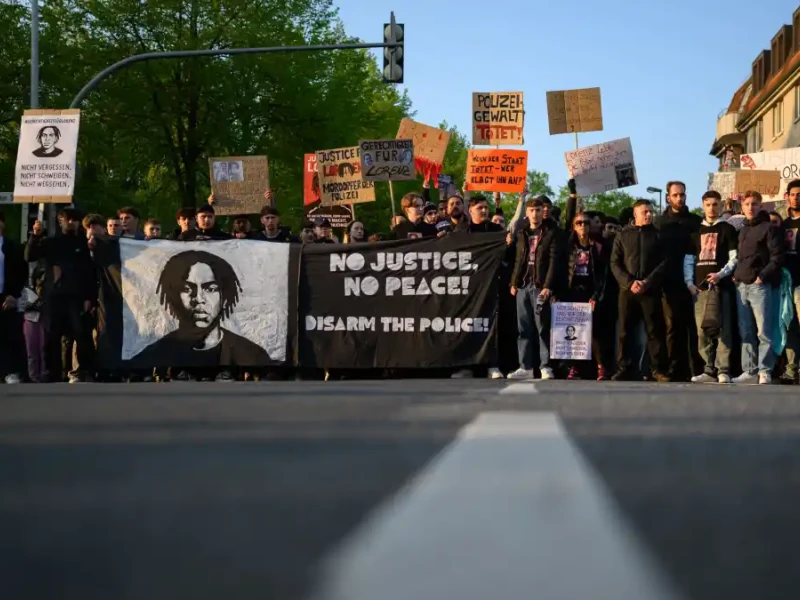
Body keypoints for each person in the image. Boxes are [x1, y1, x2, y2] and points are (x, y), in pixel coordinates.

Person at [129, 250, 272, 368]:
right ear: (173, 297)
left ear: (224, 297)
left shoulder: (252, 355)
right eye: (186, 289)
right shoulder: (153, 356)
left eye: (210, 289)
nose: (198, 298)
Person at [25, 211, 96, 383]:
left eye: (75, 220)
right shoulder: (51, 242)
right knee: (53, 335)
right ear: (60, 222)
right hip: (54, 297)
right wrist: (35, 236)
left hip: (77, 297)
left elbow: (90, 273)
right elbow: (29, 256)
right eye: (67, 220)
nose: (71, 223)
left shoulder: (84, 244)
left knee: (81, 333)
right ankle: (53, 372)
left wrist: (89, 297)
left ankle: (85, 370)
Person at [611, 199, 670, 382]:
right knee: (624, 331)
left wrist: (647, 282)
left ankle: (657, 369)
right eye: (645, 212)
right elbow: (615, 263)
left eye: (651, 211)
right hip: (627, 290)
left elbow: (664, 262)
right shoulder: (622, 235)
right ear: (635, 214)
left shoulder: (658, 235)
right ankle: (625, 367)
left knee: (654, 331)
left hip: (650, 290)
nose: (649, 215)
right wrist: (630, 282)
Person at [684, 190, 738, 384]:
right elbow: (689, 260)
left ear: (721, 206)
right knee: (702, 330)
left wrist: (720, 274)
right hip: (700, 290)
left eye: (715, 204)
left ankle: (723, 369)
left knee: (723, 329)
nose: (712, 208)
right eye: (708, 204)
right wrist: (689, 283)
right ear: (703, 205)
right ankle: (708, 369)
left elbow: (734, 259)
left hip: (721, 287)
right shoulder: (695, 231)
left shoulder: (728, 229)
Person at [507, 196, 561, 380]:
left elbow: (554, 261)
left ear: (543, 212)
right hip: (523, 284)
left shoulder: (550, 232)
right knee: (523, 328)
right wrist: (513, 282)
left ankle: (545, 366)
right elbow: (518, 259)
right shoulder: (522, 233)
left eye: (538, 210)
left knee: (542, 327)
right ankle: (526, 366)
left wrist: (548, 286)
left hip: (539, 286)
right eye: (532, 210)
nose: (535, 214)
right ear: (527, 213)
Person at [732, 191, 783, 385]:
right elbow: (739, 257)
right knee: (745, 331)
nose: (751, 207)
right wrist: (736, 275)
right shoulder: (743, 230)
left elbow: (777, 257)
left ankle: (765, 370)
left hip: (759, 287)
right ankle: (749, 370)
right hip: (741, 286)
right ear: (742, 206)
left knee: (764, 331)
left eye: (754, 204)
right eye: (747, 204)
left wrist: (762, 276)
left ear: (760, 206)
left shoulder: (768, 228)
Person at [655, 181, 702, 381]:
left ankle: (697, 369)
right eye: (675, 195)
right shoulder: (659, 223)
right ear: (668, 197)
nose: (679, 198)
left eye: (682, 194)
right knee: (672, 325)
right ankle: (674, 367)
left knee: (694, 326)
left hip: (693, 281)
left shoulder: (695, 221)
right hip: (668, 281)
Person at [562, 211, 608, 381]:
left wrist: (596, 296)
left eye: (585, 223)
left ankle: (600, 367)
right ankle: (575, 367)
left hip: (591, 292)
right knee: (573, 331)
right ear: (574, 227)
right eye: (578, 223)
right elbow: (562, 271)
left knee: (594, 332)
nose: (582, 226)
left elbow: (603, 275)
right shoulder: (568, 246)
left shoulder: (598, 247)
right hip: (573, 291)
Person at [0, 211, 26, 384]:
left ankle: (11, 371)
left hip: (6, 296)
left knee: (8, 335)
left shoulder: (11, 247)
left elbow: (20, 272)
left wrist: (13, 295)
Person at [781, 179, 800, 383]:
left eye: (799, 195)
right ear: (787, 196)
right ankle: (791, 368)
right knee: (789, 326)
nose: (796, 198)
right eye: (793, 194)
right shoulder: (782, 224)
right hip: (786, 284)